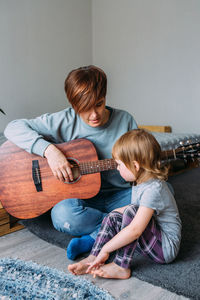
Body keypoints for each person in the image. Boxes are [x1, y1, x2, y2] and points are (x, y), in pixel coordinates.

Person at [4, 65, 138, 259]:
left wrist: (138, 171)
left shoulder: (125, 121)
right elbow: (13, 128)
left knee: (162, 192)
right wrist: (49, 151)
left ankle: (94, 236)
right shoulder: (63, 120)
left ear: (105, 96)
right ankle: (125, 226)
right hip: (80, 202)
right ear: (73, 105)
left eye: (99, 104)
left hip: (120, 195)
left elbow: (142, 169)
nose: (94, 115)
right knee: (62, 216)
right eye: (85, 109)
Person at [68, 129, 182, 279]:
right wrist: (112, 217)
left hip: (165, 248)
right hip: (152, 238)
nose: (117, 168)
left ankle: (121, 266)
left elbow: (135, 230)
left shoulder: (154, 189)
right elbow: (126, 215)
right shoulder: (139, 182)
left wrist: (107, 249)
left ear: (135, 166)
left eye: (119, 164)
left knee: (130, 212)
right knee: (114, 215)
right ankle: (92, 259)